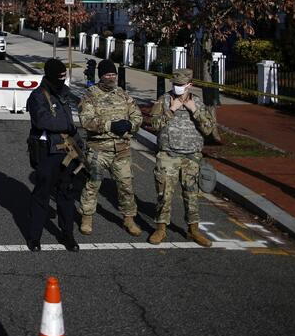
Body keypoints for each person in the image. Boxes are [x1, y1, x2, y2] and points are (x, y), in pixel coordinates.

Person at [148, 68, 216, 247]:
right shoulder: (164, 100)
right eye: (175, 84)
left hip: (191, 157)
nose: (177, 88)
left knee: (192, 195)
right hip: (168, 154)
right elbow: (153, 125)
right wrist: (171, 109)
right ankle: (161, 228)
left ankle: (193, 230)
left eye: (181, 85)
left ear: (189, 85)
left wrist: (195, 111)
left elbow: (209, 129)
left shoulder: (198, 102)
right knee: (164, 194)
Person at [77, 59, 144, 237]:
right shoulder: (90, 95)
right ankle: (87, 217)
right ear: (101, 76)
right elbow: (86, 121)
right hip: (99, 150)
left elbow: (137, 115)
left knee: (126, 186)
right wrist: (110, 126)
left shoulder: (123, 94)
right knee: (93, 185)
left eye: (113, 74)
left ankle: (129, 219)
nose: (111, 77)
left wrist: (130, 125)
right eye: (107, 74)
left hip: (121, 150)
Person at [25, 58, 83, 252]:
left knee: (66, 195)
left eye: (63, 76)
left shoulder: (64, 94)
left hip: (67, 152)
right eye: (59, 77)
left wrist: (78, 143)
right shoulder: (37, 96)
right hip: (47, 154)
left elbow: (71, 123)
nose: (62, 80)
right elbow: (42, 121)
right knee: (41, 195)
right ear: (50, 76)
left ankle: (67, 235)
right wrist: (66, 126)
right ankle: (34, 237)